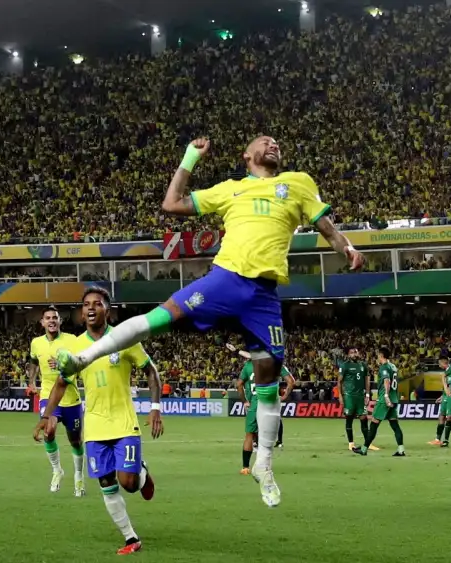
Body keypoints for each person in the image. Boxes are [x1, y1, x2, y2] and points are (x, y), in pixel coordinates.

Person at [55, 136, 364, 508]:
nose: (273, 144)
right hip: (226, 280)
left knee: (268, 378)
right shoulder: (229, 189)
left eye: (276, 142)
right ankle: (84, 358)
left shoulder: (299, 182)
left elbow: (327, 227)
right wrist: (190, 158)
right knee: (159, 317)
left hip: (264, 295)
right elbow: (172, 203)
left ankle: (264, 465)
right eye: (264, 141)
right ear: (247, 155)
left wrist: (347, 248)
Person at [34, 287, 163, 555]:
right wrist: (46, 415)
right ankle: (130, 538)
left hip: (124, 423)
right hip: (94, 426)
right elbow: (61, 383)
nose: (91, 308)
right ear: (82, 313)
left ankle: (141, 472)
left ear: (108, 310)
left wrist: (155, 408)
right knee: (106, 483)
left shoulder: (125, 338)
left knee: (128, 483)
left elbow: (151, 371)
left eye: (97, 303)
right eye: (86, 304)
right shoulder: (74, 347)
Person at [27, 306, 85, 495]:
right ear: (42, 322)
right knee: (48, 430)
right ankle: (57, 470)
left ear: (60, 321)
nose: (51, 320)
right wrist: (31, 381)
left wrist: (63, 365)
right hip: (47, 395)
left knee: (75, 441)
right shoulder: (36, 343)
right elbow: (34, 361)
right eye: (48, 318)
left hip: (70, 396)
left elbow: (81, 363)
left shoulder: (72, 340)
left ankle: (78, 475)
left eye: (55, 317)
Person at [237, 358, 295, 475]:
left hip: (255, 404)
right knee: (267, 437)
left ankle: (245, 467)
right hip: (270, 404)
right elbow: (291, 381)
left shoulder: (248, 366)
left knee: (249, 435)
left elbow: (239, 384)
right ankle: (264, 466)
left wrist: (245, 401)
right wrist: (284, 397)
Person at [353, 347, 405, 457]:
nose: (377, 358)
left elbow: (387, 380)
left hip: (384, 400)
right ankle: (401, 450)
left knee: (374, 424)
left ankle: (364, 449)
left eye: (378, 355)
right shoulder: (393, 366)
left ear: (381, 356)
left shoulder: (384, 367)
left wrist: (386, 396)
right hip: (394, 399)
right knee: (395, 425)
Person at [337, 346, 371, 451]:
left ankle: (367, 443)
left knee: (364, 418)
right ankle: (351, 443)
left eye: (356, 352)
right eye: (352, 352)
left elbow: (367, 380)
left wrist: (367, 395)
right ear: (348, 355)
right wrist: (340, 395)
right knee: (349, 418)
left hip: (361, 396)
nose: (355, 354)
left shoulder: (363, 365)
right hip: (349, 396)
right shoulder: (344, 365)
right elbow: (339, 381)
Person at [430, 357, 451, 446]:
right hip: (446, 397)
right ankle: (438, 439)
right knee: (442, 417)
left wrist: (447, 396)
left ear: (443, 363)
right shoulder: (447, 372)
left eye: (439, 364)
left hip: (450, 398)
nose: (439, 366)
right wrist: (442, 396)